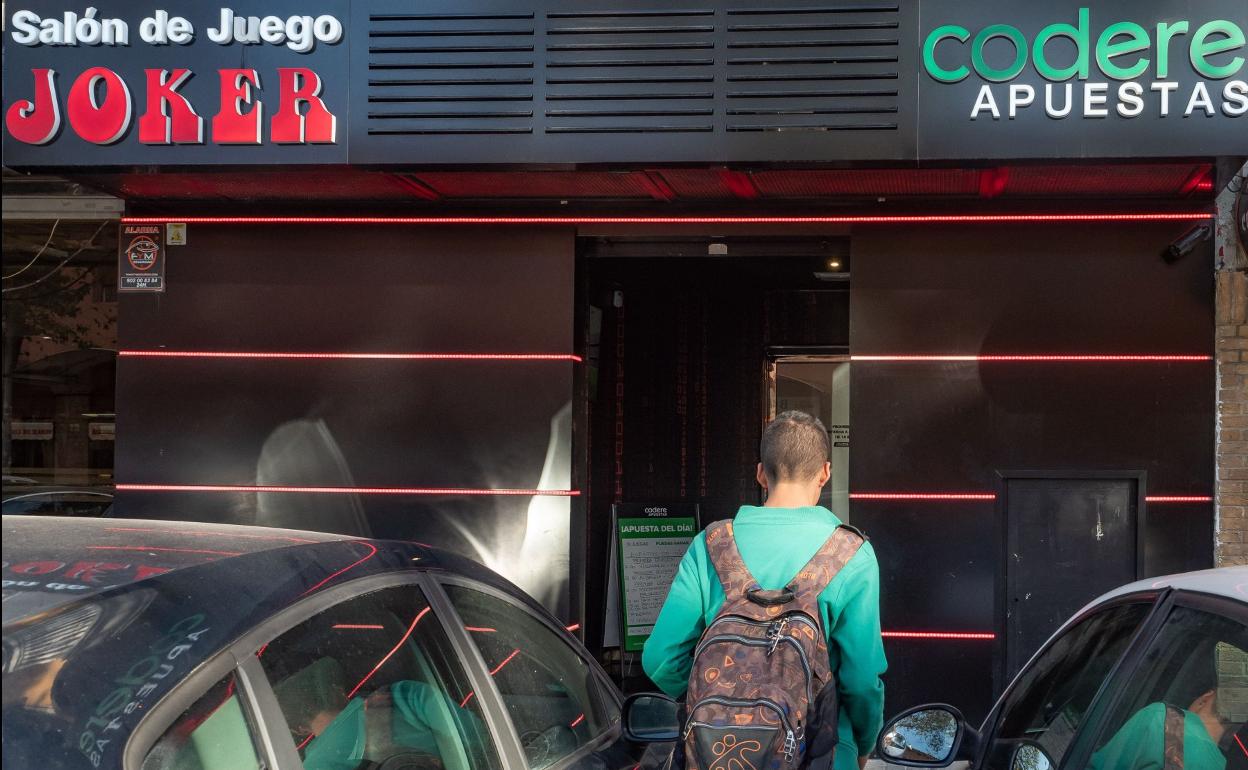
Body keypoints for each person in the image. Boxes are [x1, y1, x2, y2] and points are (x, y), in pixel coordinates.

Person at [641, 410, 887, 770]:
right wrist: (864, 743)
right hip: (826, 751)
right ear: (824, 472)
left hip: (718, 752)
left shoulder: (712, 545)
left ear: (760, 474)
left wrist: (717, 697)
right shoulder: (851, 554)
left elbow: (660, 657)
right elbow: (862, 679)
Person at [1088, 677, 1231, 770]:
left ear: (1205, 698)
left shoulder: (1163, 718)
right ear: (1233, 731)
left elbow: (1100, 766)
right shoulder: (1221, 766)